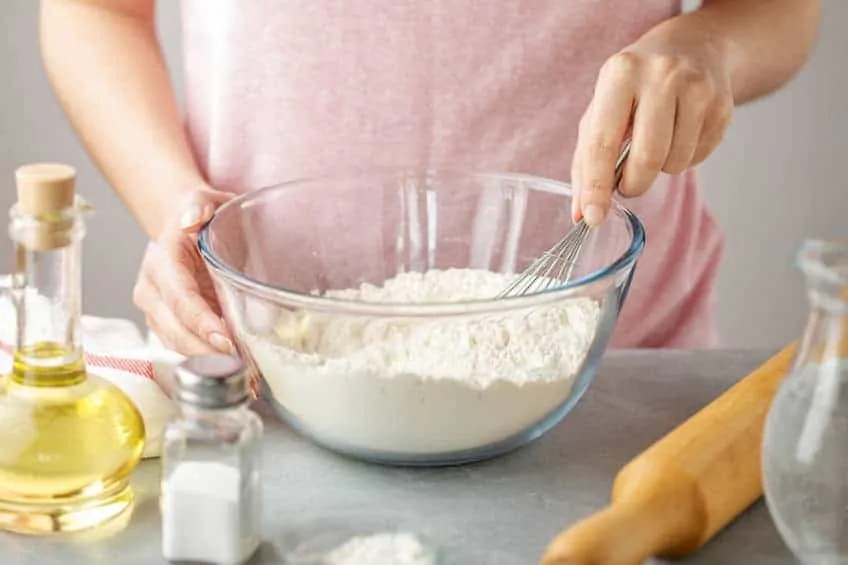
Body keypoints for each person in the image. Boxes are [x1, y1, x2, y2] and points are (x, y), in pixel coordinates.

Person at [40, 0, 821, 355]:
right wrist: (176, 206)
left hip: (609, 355)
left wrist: (709, 48)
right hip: (259, 347)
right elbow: (94, 10)